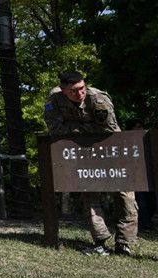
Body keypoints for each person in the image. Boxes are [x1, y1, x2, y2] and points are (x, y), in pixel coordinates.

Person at [44, 71, 137, 255]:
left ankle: (124, 242)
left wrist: (74, 129)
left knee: (126, 196)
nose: (80, 93)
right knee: (88, 194)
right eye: (74, 91)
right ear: (63, 90)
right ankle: (100, 240)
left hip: (112, 151)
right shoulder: (55, 99)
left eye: (82, 88)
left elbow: (108, 129)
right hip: (84, 154)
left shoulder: (98, 98)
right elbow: (54, 127)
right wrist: (85, 129)